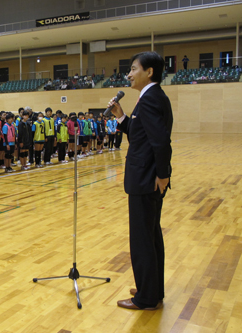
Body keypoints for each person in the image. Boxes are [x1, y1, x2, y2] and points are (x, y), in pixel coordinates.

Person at [108, 51, 173, 311]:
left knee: (142, 239)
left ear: (150, 72)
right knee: (151, 236)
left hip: (146, 179)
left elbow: (160, 142)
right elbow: (140, 135)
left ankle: (145, 299)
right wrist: (121, 116)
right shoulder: (152, 97)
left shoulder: (149, 99)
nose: (130, 74)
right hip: (148, 177)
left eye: (134, 69)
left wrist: (163, 175)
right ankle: (151, 289)